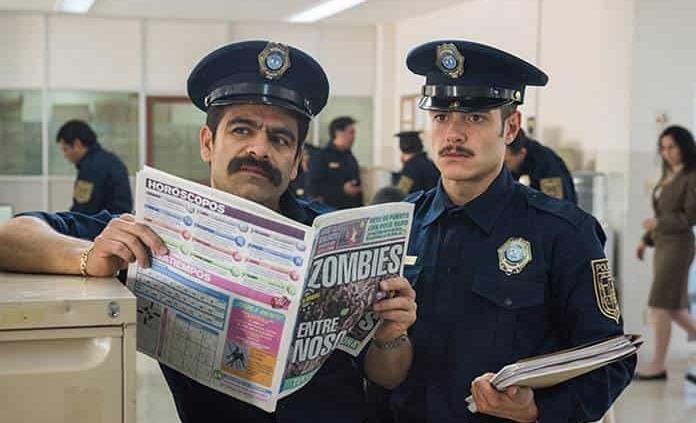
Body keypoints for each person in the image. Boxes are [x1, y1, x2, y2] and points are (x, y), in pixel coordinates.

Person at [0, 41, 417, 423]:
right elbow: (12, 236)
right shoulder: (153, 229)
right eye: (242, 130)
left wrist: (390, 336)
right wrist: (88, 257)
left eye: (279, 139)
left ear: (295, 163)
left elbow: (389, 376)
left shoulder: (335, 238)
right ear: (207, 143)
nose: (259, 149)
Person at [389, 40, 635, 423]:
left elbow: (610, 359)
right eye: (440, 116)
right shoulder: (398, 225)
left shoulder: (563, 233)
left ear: (511, 127)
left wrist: (537, 409)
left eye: (474, 118)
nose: (453, 134)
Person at [635, 125, 696, 381]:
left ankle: (657, 365)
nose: (666, 152)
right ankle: (658, 364)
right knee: (673, 308)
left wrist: (658, 224)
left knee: (660, 304)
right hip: (663, 244)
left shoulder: (691, 176)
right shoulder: (669, 174)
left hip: (679, 245)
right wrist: (645, 240)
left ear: (684, 147)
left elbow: (690, 217)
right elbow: (661, 214)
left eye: (672, 147)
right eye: (663, 148)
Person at [56, 119, 133, 214]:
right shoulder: (111, 160)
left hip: (104, 221)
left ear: (77, 144)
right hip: (120, 220)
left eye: (65, 149)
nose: (65, 155)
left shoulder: (89, 168)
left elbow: (81, 210)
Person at [504, 128, 577, 204]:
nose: (503, 167)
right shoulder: (518, 160)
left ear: (522, 153)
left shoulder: (547, 166)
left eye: (506, 162)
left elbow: (554, 205)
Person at [307, 116, 363, 209]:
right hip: (330, 211)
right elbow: (314, 188)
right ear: (338, 133)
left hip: (351, 210)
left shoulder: (350, 157)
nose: (353, 137)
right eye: (351, 132)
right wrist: (342, 190)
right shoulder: (321, 156)